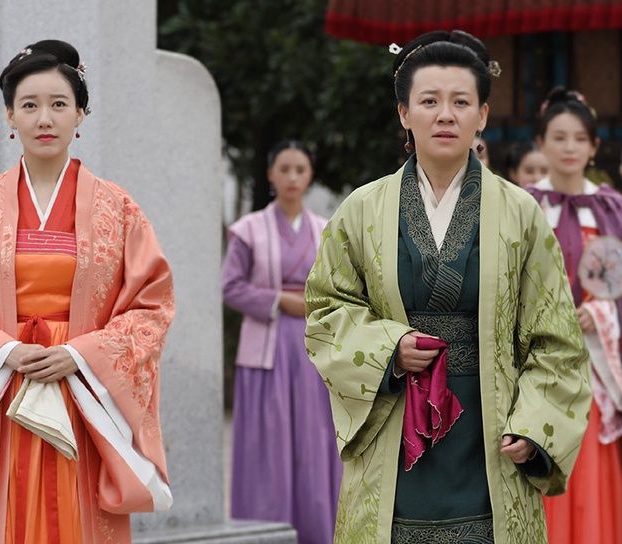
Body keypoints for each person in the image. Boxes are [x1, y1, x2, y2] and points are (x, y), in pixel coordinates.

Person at [305, 30, 591, 543]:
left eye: (461, 102)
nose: (445, 115)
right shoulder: (361, 210)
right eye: (429, 101)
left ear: (482, 115)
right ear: (404, 113)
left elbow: (558, 339)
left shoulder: (521, 213)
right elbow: (326, 309)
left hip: (492, 433)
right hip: (395, 429)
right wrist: (389, 349)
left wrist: (535, 425)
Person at [0, 40, 174, 543]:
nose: (44, 119)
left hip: (82, 389)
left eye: (59, 104)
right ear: (10, 115)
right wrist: (3, 352)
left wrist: (80, 354)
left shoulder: (118, 209)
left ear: (80, 114)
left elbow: (152, 306)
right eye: (29, 105)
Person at [223, 140, 342, 544]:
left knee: (314, 440)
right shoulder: (249, 229)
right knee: (267, 443)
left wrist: (315, 305)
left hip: (314, 350)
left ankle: (317, 531)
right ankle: (264, 531)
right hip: (265, 349)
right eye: (284, 169)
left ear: (310, 176)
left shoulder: (327, 230)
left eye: (300, 170)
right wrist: (280, 301)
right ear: (270, 174)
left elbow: (341, 289)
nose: (292, 177)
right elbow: (231, 286)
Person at [527, 87, 622, 544]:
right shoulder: (524, 206)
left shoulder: (612, 208)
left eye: (580, 139)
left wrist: (601, 312)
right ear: (540, 142)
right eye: (559, 137)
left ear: (594, 146)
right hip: (538, 362)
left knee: (590, 473)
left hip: (596, 363)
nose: (569, 148)